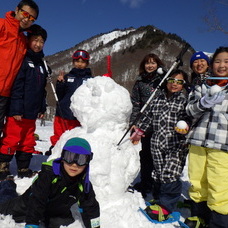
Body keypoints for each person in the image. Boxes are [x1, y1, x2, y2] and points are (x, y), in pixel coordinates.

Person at [0, 137, 100, 228]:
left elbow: (91, 208)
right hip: (28, 205)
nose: (74, 164)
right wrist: (32, 224)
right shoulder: (48, 175)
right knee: (5, 206)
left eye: (81, 160)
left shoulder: (83, 183)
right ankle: (7, 184)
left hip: (54, 213)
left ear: (87, 162)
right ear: (62, 157)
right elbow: (37, 201)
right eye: (70, 157)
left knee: (65, 222)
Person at [130, 69, 190, 221]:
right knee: (159, 172)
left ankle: (166, 207)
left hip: (176, 144)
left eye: (179, 82)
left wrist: (186, 127)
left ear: (183, 85)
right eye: (172, 80)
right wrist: (139, 131)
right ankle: (159, 199)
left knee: (170, 174)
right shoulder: (157, 99)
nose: (175, 84)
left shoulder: (184, 101)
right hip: (156, 143)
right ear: (166, 81)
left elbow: (189, 119)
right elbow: (148, 117)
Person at [184, 46, 228, 228]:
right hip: (198, 140)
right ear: (212, 65)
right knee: (197, 181)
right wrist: (204, 102)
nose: (222, 65)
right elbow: (189, 110)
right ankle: (199, 216)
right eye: (218, 61)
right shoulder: (202, 86)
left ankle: (218, 223)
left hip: (222, 143)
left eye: (226, 61)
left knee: (219, 185)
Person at [0, 24, 48, 180]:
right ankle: (3, 166)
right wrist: (16, 109)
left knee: (28, 141)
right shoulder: (23, 60)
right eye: (35, 40)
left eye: (41, 41)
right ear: (29, 41)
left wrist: (42, 107)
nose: (38, 44)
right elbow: (17, 86)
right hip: (18, 112)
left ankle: (23, 167)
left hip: (32, 113)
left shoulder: (42, 64)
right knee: (11, 139)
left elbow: (42, 90)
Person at [0, 0, 39, 137]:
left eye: (31, 18)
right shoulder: (2, 25)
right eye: (25, 13)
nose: (27, 19)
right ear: (17, 10)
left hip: (5, 95)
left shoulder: (23, 40)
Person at [130, 53, 166, 198]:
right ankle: (146, 182)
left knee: (160, 155)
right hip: (146, 124)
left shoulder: (163, 79)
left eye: (153, 63)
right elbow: (136, 103)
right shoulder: (140, 82)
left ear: (158, 65)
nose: (150, 65)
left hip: (161, 123)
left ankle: (160, 184)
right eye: (147, 63)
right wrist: (134, 123)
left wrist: (164, 74)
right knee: (146, 155)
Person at [47, 50, 93, 156]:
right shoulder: (68, 77)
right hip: (63, 113)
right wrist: (60, 83)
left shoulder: (91, 80)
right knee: (59, 136)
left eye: (82, 61)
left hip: (77, 117)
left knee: (74, 138)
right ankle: (55, 154)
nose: (79, 64)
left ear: (87, 63)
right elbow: (59, 95)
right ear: (73, 62)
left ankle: (70, 156)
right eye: (77, 61)